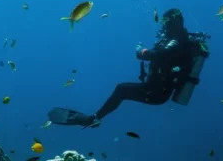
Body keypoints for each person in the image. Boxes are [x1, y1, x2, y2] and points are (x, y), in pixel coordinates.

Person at [48, 9, 210, 128]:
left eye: (164, 22)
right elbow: (164, 55)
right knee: (122, 90)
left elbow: (160, 55)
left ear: (172, 22)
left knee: (121, 89)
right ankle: (95, 118)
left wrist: (143, 52)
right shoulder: (178, 39)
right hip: (155, 88)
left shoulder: (177, 40)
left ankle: (94, 119)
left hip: (156, 93)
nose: (163, 26)